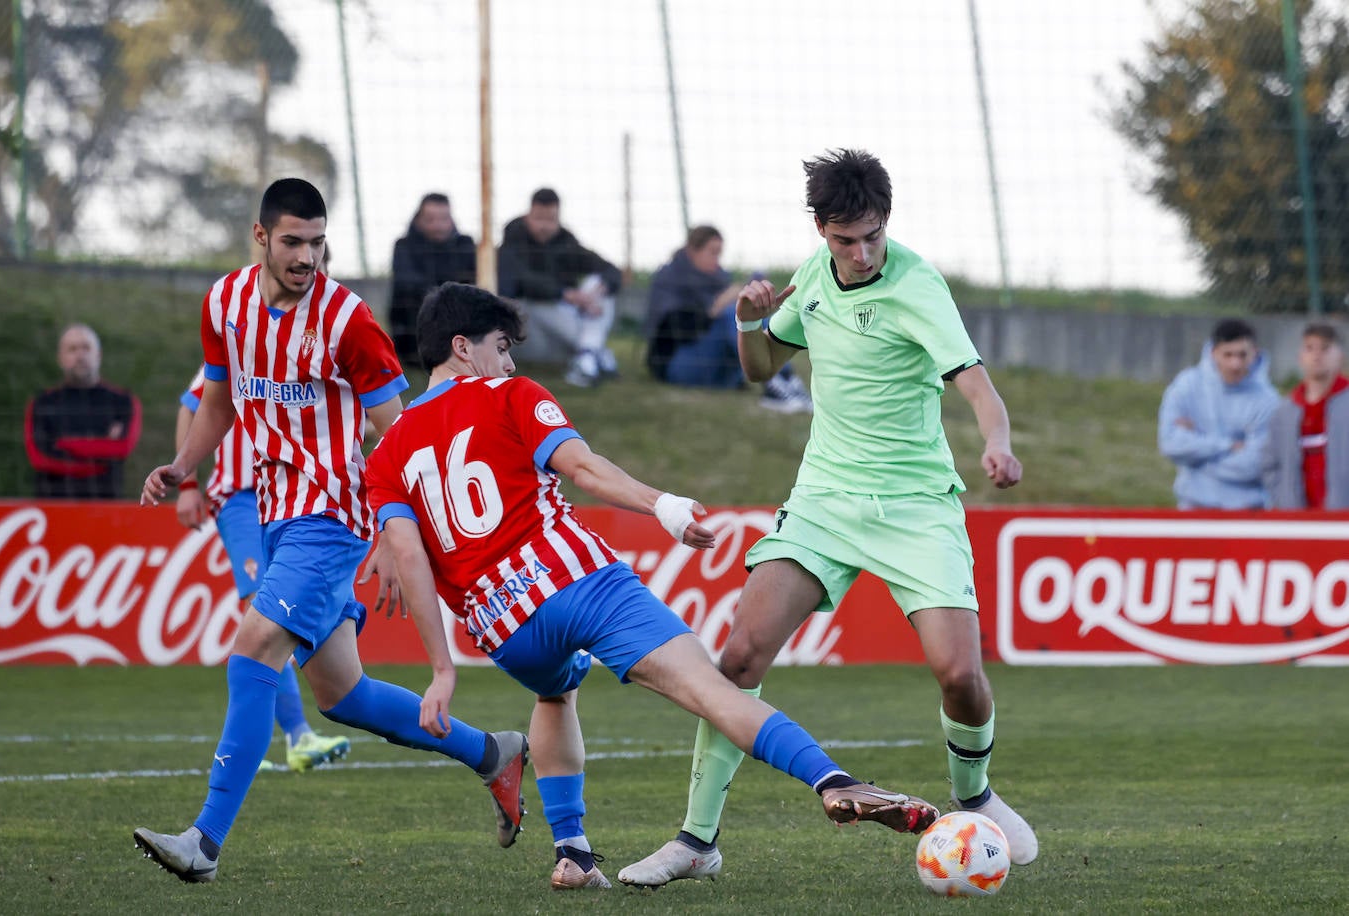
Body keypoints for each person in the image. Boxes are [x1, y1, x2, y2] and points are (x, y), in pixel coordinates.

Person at [365, 282, 941, 891]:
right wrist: (661, 504)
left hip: (504, 628)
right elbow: (582, 467)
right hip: (577, 580)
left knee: (556, 693)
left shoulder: (386, 454)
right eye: (501, 346)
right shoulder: (511, 394)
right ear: (462, 346)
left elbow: (408, 557)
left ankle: (574, 854)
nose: (509, 362)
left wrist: (441, 670)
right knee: (712, 691)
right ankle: (834, 782)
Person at [619, 148, 1037, 888]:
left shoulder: (918, 284)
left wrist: (999, 444)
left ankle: (973, 794)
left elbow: (976, 386)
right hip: (824, 501)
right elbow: (759, 371)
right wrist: (749, 325)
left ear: (886, 223)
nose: (862, 252)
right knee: (740, 657)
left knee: (960, 675)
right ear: (820, 230)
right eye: (846, 239)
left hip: (915, 504)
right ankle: (696, 840)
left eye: (872, 235)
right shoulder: (811, 276)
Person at [133, 179, 527, 884]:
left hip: (333, 514)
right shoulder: (224, 304)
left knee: (252, 649)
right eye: (292, 242)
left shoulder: (349, 322)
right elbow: (219, 400)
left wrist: (389, 535)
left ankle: (205, 843)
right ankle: (493, 753)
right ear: (260, 237)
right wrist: (183, 464)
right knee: (343, 696)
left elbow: (403, 438)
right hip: (276, 512)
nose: (307, 257)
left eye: (317, 243)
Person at [177, 364, 353, 773]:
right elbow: (191, 406)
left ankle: (283, 736)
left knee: (281, 614)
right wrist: (186, 483)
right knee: (266, 610)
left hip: (291, 501)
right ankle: (297, 735)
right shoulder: (233, 345)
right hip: (241, 497)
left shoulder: (307, 348)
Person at [645, 225, 813, 413]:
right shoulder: (670, 277)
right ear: (692, 251)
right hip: (677, 365)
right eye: (713, 253)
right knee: (731, 313)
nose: (717, 261)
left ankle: (786, 380)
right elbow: (671, 329)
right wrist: (715, 308)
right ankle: (775, 385)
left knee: (749, 311)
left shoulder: (716, 278)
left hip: (720, 370)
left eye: (720, 254)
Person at [497, 187, 622, 387]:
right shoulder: (512, 241)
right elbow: (520, 281)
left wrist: (594, 293)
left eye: (551, 219)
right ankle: (593, 351)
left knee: (598, 283)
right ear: (528, 215)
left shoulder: (566, 242)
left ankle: (587, 354)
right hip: (529, 329)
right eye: (539, 218)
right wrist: (566, 294)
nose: (544, 226)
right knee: (532, 303)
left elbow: (611, 271)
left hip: (566, 323)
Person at [1158, 318, 1280, 510]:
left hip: (1248, 511)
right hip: (1193, 507)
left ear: (1255, 353)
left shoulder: (1268, 400)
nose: (1235, 364)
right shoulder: (1186, 386)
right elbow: (1171, 444)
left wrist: (1195, 460)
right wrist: (1230, 445)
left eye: (1242, 355)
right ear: (1214, 352)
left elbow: (1255, 464)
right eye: (1228, 354)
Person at [24, 323, 142, 498]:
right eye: (72, 349)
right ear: (60, 358)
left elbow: (121, 447)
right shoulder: (42, 403)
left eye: (86, 348)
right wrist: (100, 456)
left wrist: (63, 445)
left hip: (105, 505)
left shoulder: (123, 401)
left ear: (98, 355)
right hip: (52, 505)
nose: (80, 355)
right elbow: (39, 457)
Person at [1263, 323, 1349, 509]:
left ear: (1340, 356)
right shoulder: (1284, 411)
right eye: (1310, 348)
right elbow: (1270, 464)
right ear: (1300, 357)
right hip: (1299, 521)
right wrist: (1284, 498)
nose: (1317, 355)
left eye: (1325, 348)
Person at [389, 193, 477, 367]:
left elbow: (472, 282)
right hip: (415, 322)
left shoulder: (465, 245)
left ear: (451, 219)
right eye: (430, 219)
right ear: (419, 220)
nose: (437, 225)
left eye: (443, 218)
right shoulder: (404, 245)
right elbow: (406, 283)